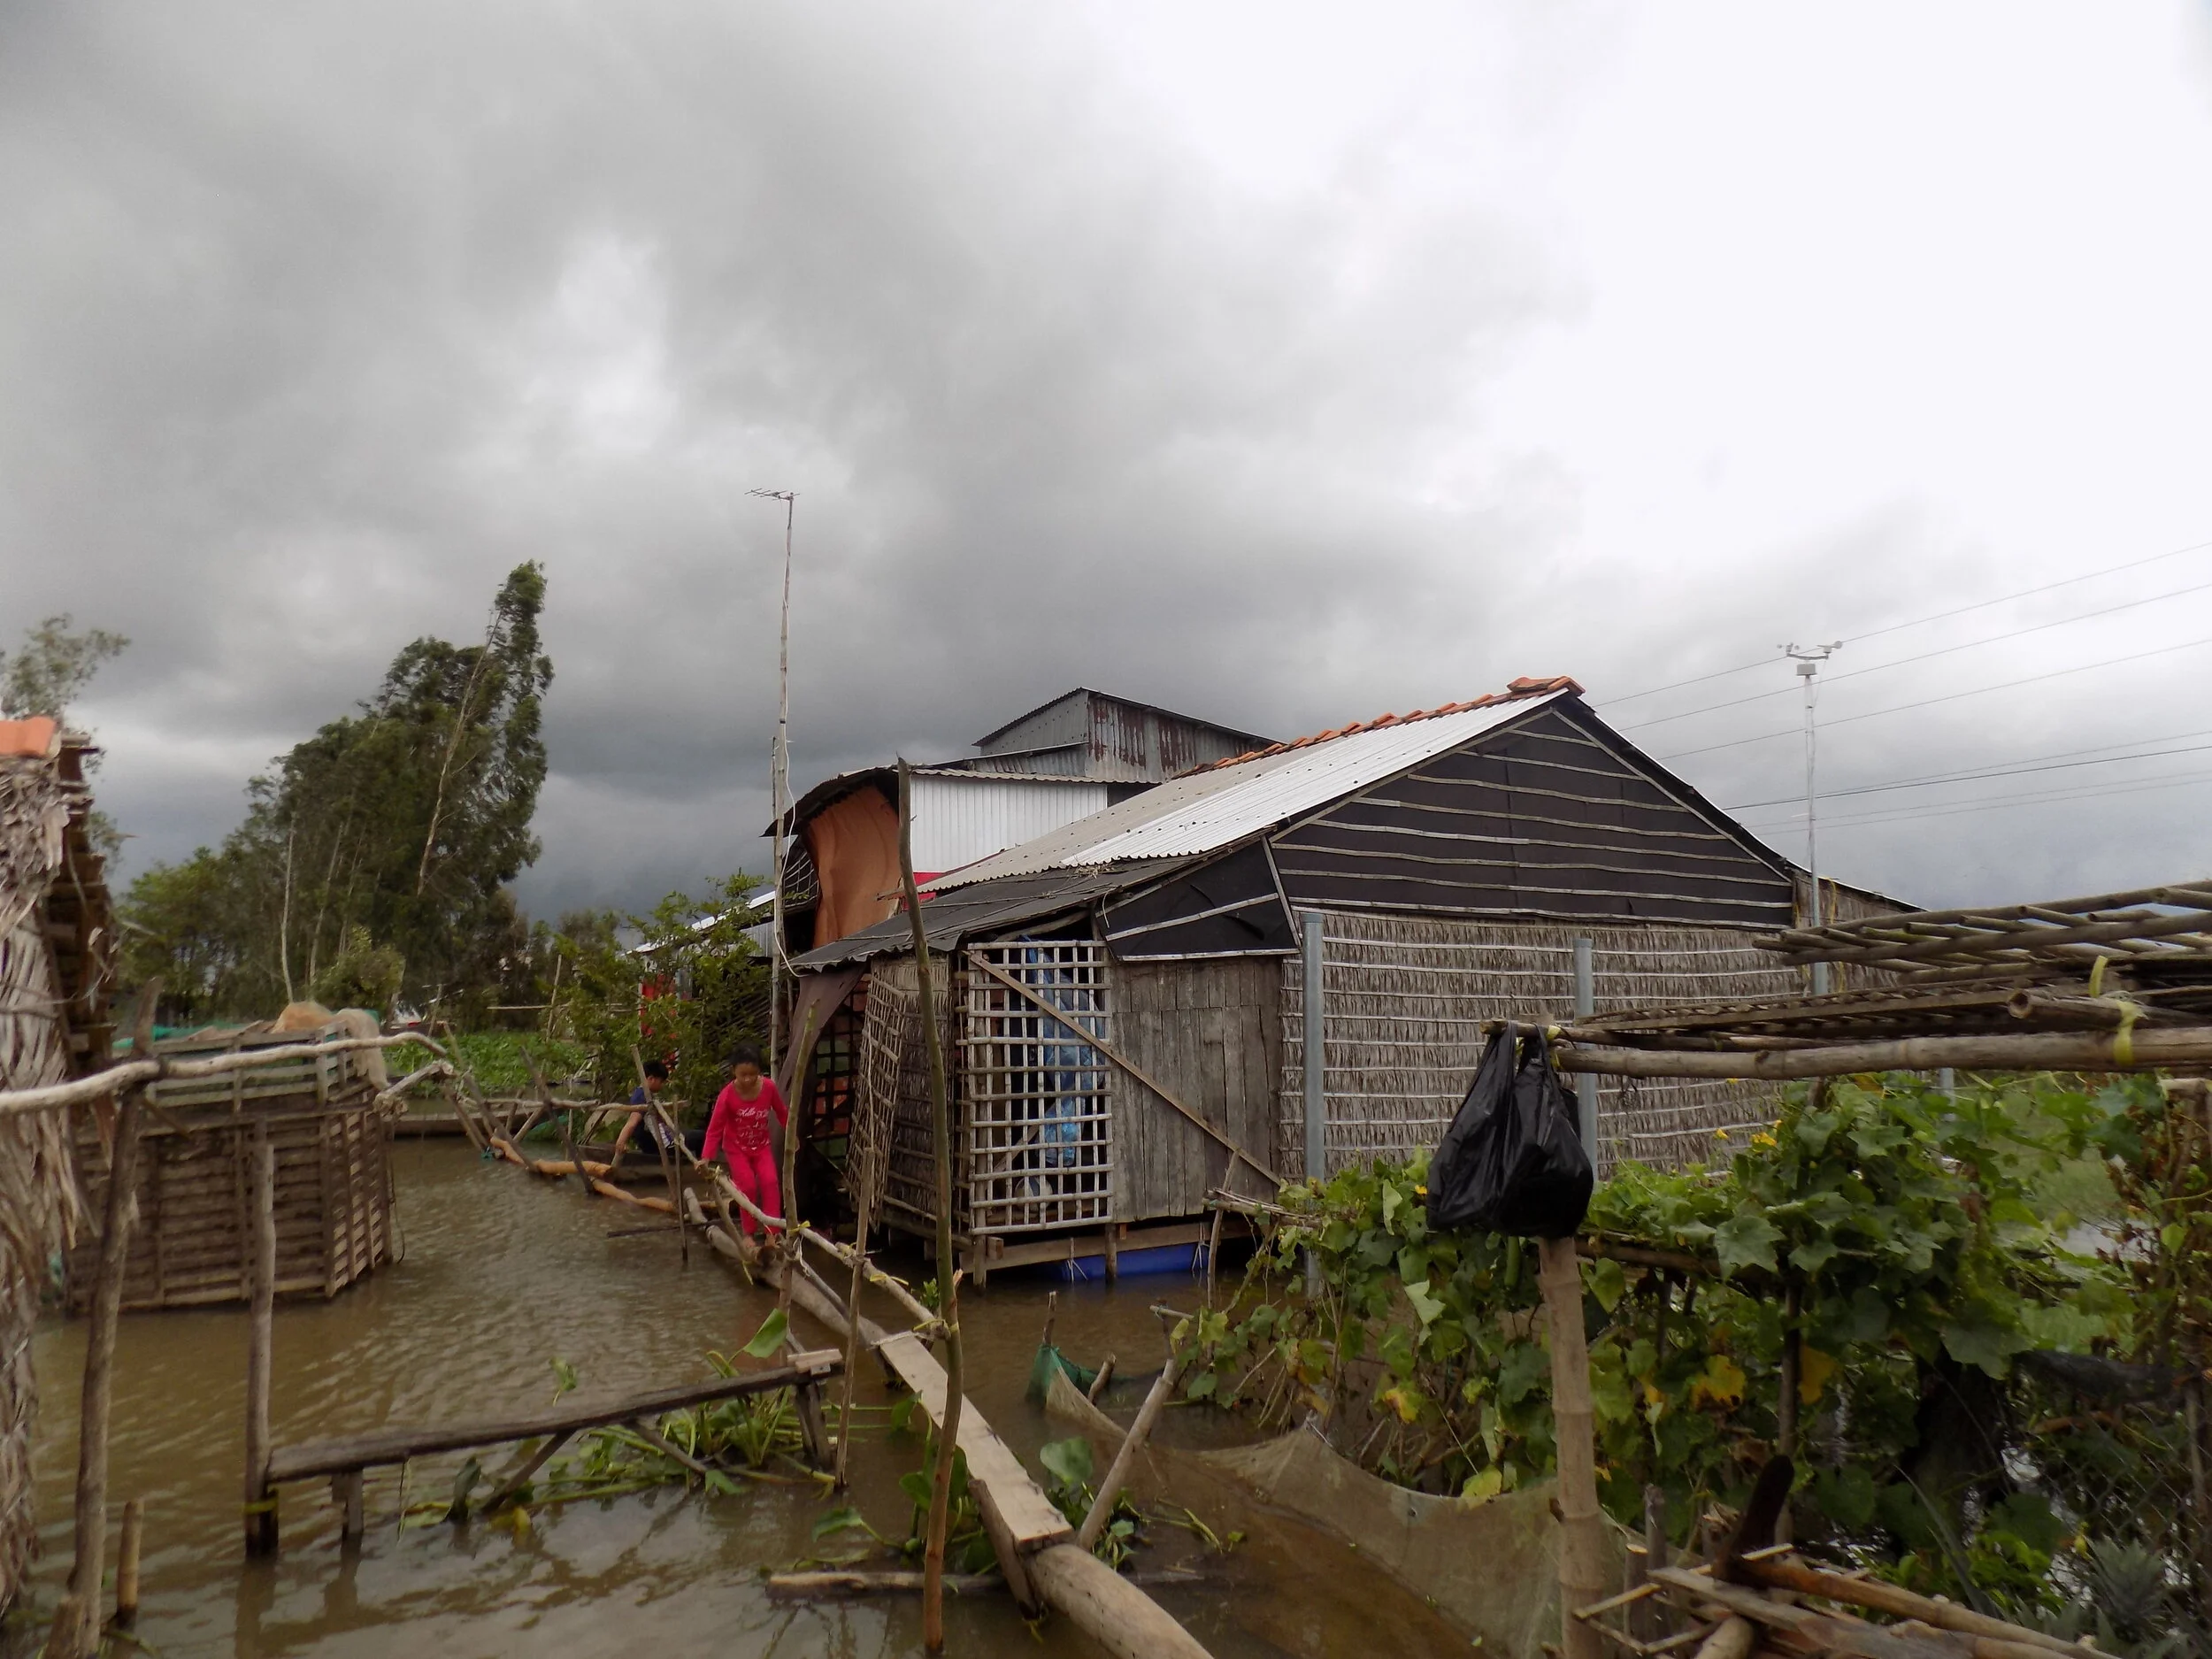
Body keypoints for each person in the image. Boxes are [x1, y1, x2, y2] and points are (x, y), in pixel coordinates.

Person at [703, 1046, 787, 1237]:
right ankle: (748, 1233)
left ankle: (772, 1233)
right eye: (743, 1075)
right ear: (734, 1071)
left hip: (761, 1146)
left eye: (753, 1074)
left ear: (759, 1071)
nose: (748, 1079)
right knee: (747, 1186)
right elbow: (714, 1129)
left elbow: (782, 1113)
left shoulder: (769, 1088)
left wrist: (792, 1135)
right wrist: (706, 1158)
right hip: (736, 1148)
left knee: (770, 1182)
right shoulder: (727, 1096)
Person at [608, 1059, 696, 1168]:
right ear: (651, 1079)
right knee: (700, 1137)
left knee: (692, 1135)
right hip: (659, 1144)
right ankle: (699, 1168)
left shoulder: (645, 1094)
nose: (662, 1085)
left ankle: (688, 1164)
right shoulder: (642, 1096)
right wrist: (621, 1142)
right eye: (661, 1082)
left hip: (661, 1139)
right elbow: (632, 1122)